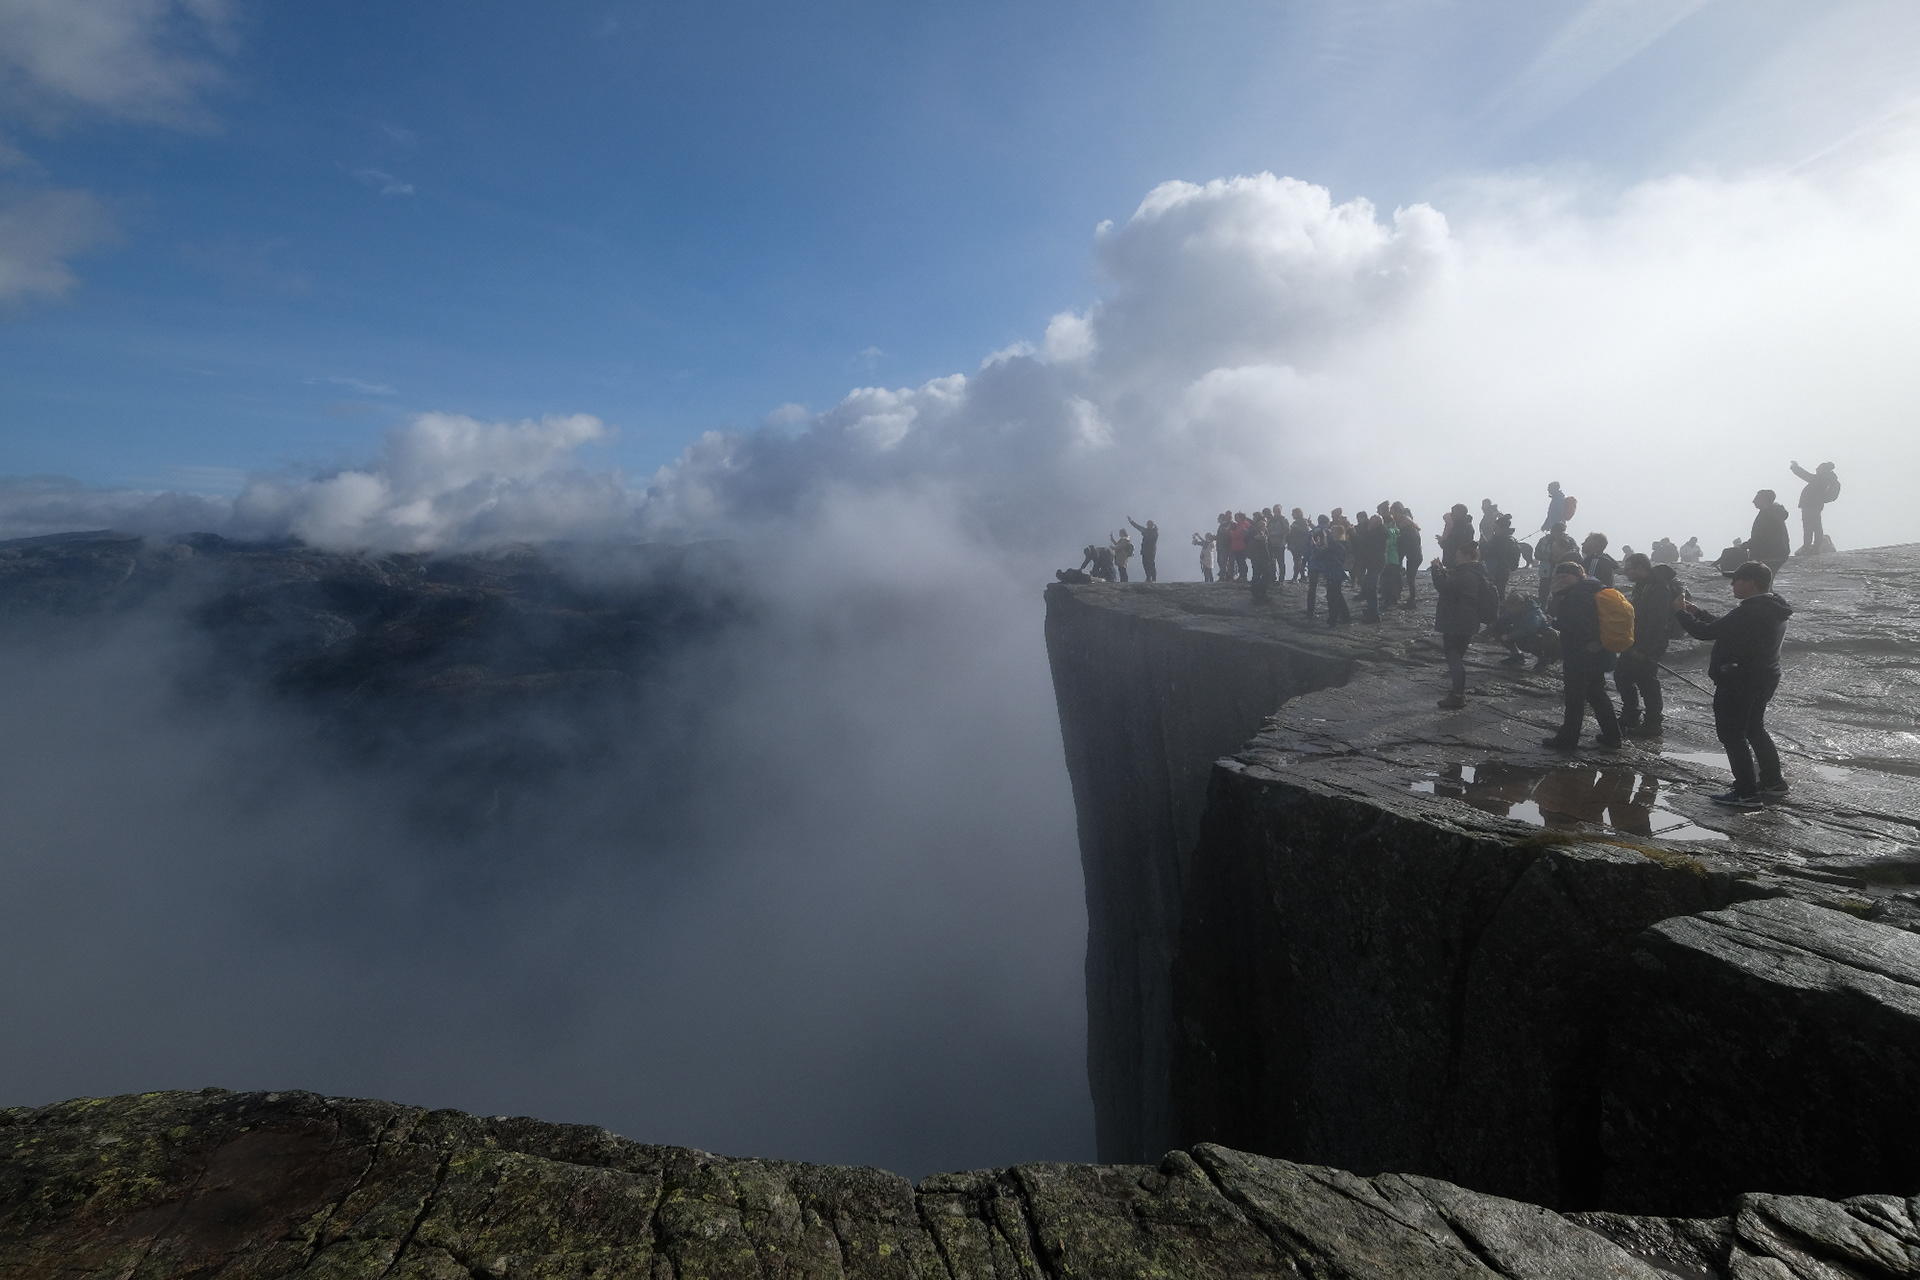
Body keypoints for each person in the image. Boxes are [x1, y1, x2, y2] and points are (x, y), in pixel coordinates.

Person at [1672, 561, 1795, 807]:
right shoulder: (1772, 606)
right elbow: (1726, 628)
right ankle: (1773, 783)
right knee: (1754, 728)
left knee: (1732, 734)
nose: (1732, 585)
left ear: (1749, 583)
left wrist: (1680, 613)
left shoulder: (1750, 610)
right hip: (1765, 676)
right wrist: (1698, 613)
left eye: (1736, 580)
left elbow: (1705, 633)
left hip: (1740, 680)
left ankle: (1746, 792)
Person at [1542, 560, 1623, 749]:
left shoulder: (1576, 595)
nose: (1562, 580)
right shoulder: (1593, 589)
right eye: (1558, 577)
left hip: (1581, 654)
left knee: (1575, 697)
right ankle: (1613, 736)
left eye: (1565, 576)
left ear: (1578, 576)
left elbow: (1577, 626)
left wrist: (1555, 623)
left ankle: (1567, 739)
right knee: (1596, 693)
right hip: (1598, 651)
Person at [1616, 553, 1679, 738]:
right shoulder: (1644, 585)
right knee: (1622, 675)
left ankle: (1653, 723)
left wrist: (1644, 649)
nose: (1626, 574)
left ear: (1640, 567)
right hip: (1636, 640)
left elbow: (1656, 622)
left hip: (1650, 643)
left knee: (1647, 681)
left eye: (1628, 569)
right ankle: (1631, 714)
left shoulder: (1658, 588)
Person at [1429, 542, 1494, 708]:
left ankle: (1458, 695)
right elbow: (1453, 585)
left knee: (1453, 657)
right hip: (1467, 621)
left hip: (1457, 621)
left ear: (1467, 556)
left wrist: (1436, 569)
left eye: (1458, 556)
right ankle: (1458, 693)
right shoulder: (1474, 573)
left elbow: (1443, 587)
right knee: (1457, 656)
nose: (1456, 559)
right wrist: (1442, 570)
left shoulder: (1467, 574)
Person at [1490, 591, 1558, 669]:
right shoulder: (1514, 611)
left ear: (1521, 605)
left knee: (1529, 641)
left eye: (1512, 607)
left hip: (1540, 637)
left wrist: (1509, 636)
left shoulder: (1533, 614)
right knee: (1499, 630)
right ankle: (1516, 655)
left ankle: (1544, 658)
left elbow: (1529, 630)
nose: (1510, 609)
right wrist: (1490, 630)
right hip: (1522, 631)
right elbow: (1500, 621)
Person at [1789, 461, 1840, 554]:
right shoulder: (1825, 478)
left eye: (1818, 468)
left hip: (1811, 505)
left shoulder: (1821, 478)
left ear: (1823, 469)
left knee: (1810, 527)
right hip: (1814, 505)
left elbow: (1805, 475)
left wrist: (1795, 467)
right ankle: (1812, 547)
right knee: (1814, 526)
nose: (1816, 469)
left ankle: (1809, 547)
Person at [1481, 514, 1532, 595]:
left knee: (1498, 592)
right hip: (1496, 570)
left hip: (1500, 571)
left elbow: (1496, 553)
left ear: (1503, 528)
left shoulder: (1507, 541)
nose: (1494, 531)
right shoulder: (1498, 539)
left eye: (1496, 528)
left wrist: (1484, 545)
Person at [1353, 513, 1388, 623]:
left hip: (1375, 563)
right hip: (1373, 562)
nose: (1369, 523)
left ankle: (1375, 614)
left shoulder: (1378, 533)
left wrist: (1353, 532)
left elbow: (1364, 543)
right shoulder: (1377, 532)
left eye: (1372, 521)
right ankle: (1371, 609)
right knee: (1369, 586)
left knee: (1372, 588)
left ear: (1377, 523)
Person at [1535, 522, 1579, 606]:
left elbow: (1575, 553)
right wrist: (1547, 557)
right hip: (1546, 571)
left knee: (1559, 595)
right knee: (1543, 593)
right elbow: (1537, 554)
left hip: (1563, 571)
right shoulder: (1544, 540)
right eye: (1555, 531)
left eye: (1560, 531)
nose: (1557, 534)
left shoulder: (1569, 540)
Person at [1747, 490, 1792, 569]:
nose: (1753, 501)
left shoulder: (1768, 515)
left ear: (1765, 500)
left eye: (1757, 498)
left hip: (1770, 554)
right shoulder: (1773, 512)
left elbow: (1761, 538)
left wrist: (1743, 546)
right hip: (1780, 552)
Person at [1395, 507, 1424, 607]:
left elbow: (1404, 543)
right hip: (1415, 556)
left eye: (1400, 523)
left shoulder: (1408, 531)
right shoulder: (1413, 530)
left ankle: (1412, 600)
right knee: (1410, 578)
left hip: (1413, 556)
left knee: (1410, 578)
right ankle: (1412, 599)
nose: (1399, 525)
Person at [1249, 513, 1274, 604]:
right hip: (1258, 556)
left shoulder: (1265, 534)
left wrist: (1271, 557)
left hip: (1263, 557)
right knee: (1258, 574)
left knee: (1265, 574)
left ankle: (1261, 593)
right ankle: (1257, 594)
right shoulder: (1254, 532)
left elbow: (1269, 546)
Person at [1128, 517, 1159, 582]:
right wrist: (1131, 522)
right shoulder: (1146, 531)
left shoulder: (1155, 532)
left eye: (1149, 524)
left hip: (1151, 551)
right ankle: (1148, 577)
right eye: (1147, 524)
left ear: (1152, 525)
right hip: (1144, 550)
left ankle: (1153, 579)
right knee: (1145, 564)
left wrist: (1145, 533)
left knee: (1151, 564)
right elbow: (1138, 527)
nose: (1147, 526)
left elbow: (1151, 538)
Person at [1287, 509, 1311, 582]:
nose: (1292, 515)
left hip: (1300, 544)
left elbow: (1306, 531)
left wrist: (1296, 527)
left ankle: (1296, 577)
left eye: (1293, 513)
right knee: (1297, 561)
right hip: (1295, 545)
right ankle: (1302, 576)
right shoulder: (1295, 522)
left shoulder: (1303, 521)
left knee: (1297, 561)